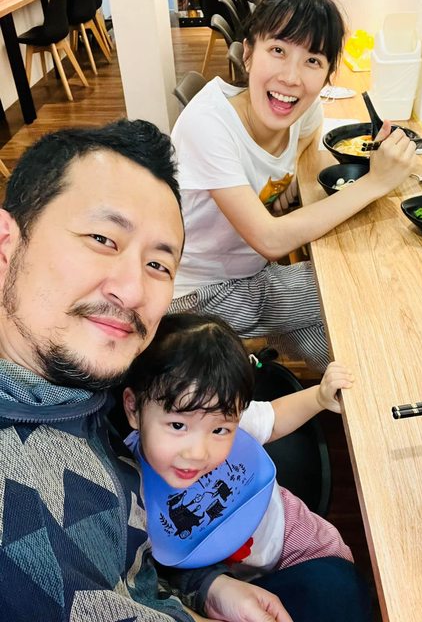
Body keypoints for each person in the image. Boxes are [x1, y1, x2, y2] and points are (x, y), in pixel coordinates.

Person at [0, 119, 294, 622]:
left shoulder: (96, 370)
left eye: (158, 265)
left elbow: (134, 546)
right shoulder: (26, 514)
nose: (133, 291)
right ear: (7, 243)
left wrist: (204, 586)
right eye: (102, 238)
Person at [169, 0, 417, 374]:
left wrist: (292, 182)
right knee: (355, 284)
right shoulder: (208, 124)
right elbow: (269, 239)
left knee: (347, 354)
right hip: (198, 296)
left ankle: (366, 396)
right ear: (248, 53)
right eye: (278, 50)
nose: (291, 77)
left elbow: (308, 146)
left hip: (251, 273)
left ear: (328, 75)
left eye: (312, 60)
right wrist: (375, 182)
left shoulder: (303, 110)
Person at [122, 312, 355, 579]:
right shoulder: (125, 478)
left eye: (219, 430)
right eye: (177, 426)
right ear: (133, 408)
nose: (198, 453)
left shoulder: (225, 412)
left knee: (341, 572)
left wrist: (319, 397)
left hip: (285, 532)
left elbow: (274, 419)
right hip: (225, 580)